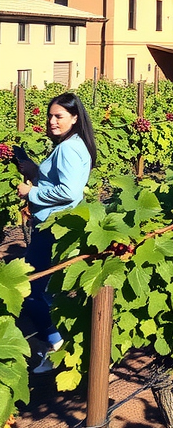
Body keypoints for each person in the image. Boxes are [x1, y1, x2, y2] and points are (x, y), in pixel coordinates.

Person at [14, 93, 96, 373]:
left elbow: (69, 192)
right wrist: (36, 171)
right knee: (47, 288)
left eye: (59, 116)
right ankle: (60, 343)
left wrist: (31, 191)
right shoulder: (73, 144)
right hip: (55, 225)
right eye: (50, 116)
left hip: (51, 227)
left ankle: (55, 346)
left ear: (74, 118)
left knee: (30, 289)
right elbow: (62, 181)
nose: (52, 121)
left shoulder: (68, 149)